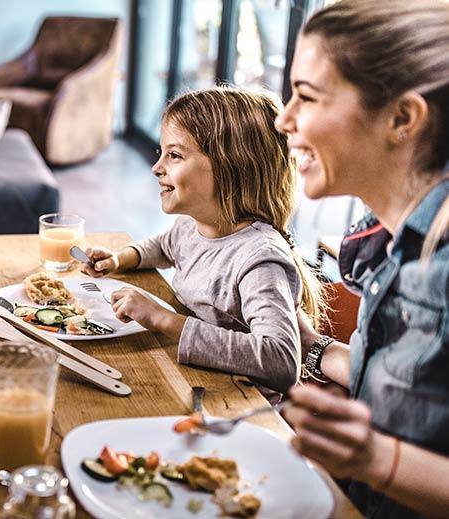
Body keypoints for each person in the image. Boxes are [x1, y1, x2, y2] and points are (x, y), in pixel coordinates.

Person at [272, 1, 449, 517]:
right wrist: (314, 347)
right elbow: (420, 395)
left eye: (306, 96)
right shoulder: (392, 243)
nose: (284, 119)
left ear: (401, 118)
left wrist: (375, 458)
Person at [83, 86, 325, 396]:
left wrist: (164, 320)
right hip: (190, 380)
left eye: (175, 155)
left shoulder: (259, 259)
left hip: (236, 406)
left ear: (231, 166)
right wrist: (121, 258)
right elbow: (162, 246)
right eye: (161, 153)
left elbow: (280, 362)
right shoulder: (192, 227)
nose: (157, 168)